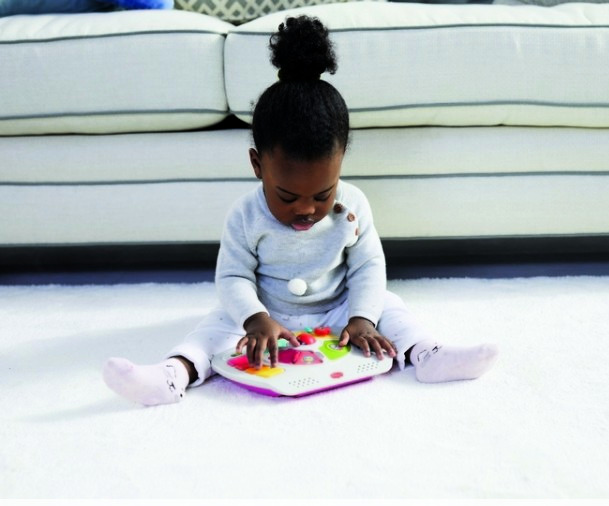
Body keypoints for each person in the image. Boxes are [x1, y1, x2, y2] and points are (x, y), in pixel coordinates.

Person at [103, 15, 498, 406]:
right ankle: (172, 374)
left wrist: (362, 317)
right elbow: (233, 276)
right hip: (266, 313)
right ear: (258, 166)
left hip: (339, 309)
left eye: (323, 193)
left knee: (391, 306)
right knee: (214, 326)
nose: (307, 209)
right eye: (288, 197)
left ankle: (427, 355)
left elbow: (368, 266)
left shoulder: (354, 204)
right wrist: (255, 318)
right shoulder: (245, 215)